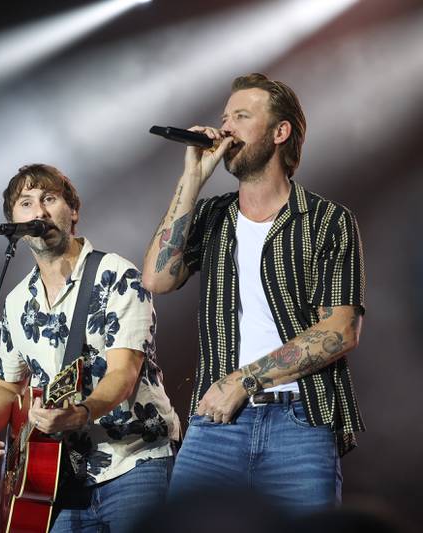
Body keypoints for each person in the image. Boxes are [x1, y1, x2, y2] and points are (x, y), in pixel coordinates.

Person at [141, 73, 365, 511]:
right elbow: (156, 279)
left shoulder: (327, 221)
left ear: (280, 132)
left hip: (299, 421)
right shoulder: (212, 215)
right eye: (225, 118)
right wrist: (192, 179)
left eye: (241, 117)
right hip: (216, 422)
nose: (226, 128)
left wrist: (245, 380)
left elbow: (340, 330)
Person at [0, 164, 180, 532]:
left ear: (73, 211)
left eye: (49, 199)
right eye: (26, 203)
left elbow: (123, 373)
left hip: (134, 462)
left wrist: (81, 413)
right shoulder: (17, 301)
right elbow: (6, 384)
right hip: (58, 482)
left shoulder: (117, 275)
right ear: (14, 224)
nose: (38, 212)